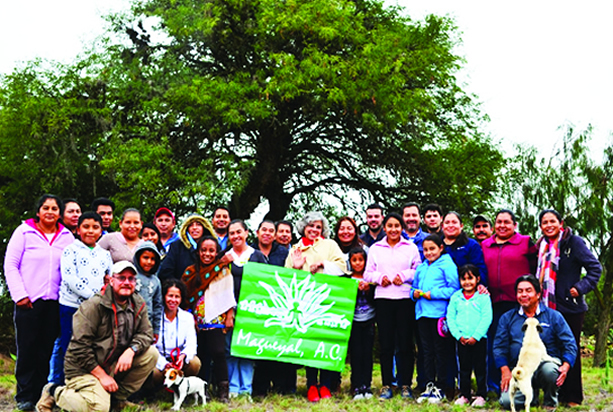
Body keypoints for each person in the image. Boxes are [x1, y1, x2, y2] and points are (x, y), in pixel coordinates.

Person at [36, 261, 158, 412]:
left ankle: (116, 400)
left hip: (111, 364)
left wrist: (131, 350)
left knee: (151, 354)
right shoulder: (93, 306)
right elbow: (80, 348)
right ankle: (55, 392)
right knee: (99, 409)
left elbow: (146, 333)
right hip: (82, 369)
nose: (127, 282)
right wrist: (102, 376)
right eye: (121, 278)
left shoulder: (138, 303)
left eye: (131, 278)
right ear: (111, 280)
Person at [4, 195, 74, 411]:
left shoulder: (67, 237)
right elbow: (11, 265)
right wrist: (20, 295)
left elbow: (71, 268)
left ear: (59, 213)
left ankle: (39, 394)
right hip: (29, 302)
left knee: (45, 351)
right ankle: (24, 396)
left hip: (54, 302)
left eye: (54, 208)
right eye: (46, 208)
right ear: (38, 211)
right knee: (27, 349)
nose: (50, 212)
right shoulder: (24, 232)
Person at [536, 209, 601, 406]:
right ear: (540, 226)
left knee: (569, 349)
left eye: (552, 221)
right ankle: (556, 394)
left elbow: (595, 268)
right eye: (544, 222)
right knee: (551, 349)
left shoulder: (573, 242)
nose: (548, 225)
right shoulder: (540, 246)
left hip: (569, 307)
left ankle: (573, 396)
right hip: (546, 306)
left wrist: (579, 288)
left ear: (560, 223)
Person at [285, 211, 348, 402]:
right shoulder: (295, 249)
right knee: (310, 345)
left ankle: (326, 385)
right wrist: (296, 267)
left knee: (326, 342)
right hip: (304, 303)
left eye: (318, 227)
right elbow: (286, 280)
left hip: (327, 302)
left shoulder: (330, 245)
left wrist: (323, 263)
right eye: (311, 225)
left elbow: (343, 268)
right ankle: (312, 384)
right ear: (304, 227)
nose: (314, 229)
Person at [494, 275, 577, 411]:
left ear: (538, 294)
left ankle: (550, 402)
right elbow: (499, 347)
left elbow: (569, 343)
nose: (524, 295)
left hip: (545, 365)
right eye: (520, 291)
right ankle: (532, 398)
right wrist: (505, 371)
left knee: (549, 371)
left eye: (528, 290)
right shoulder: (507, 318)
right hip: (521, 370)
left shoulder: (553, 316)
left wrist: (566, 366)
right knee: (507, 402)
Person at [50, 212, 112, 385]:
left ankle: (87, 384)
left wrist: (106, 290)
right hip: (71, 307)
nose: (90, 231)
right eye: (86, 227)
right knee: (68, 344)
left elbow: (110, 277)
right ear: (78, 230)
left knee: (91, 346)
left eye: (95, 227)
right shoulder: (70, 250)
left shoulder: (105, 254)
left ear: (101, 231)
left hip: (97, 309)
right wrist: (94, 297)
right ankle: (59, 384)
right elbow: (70, 279)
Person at [364, 212, 421, 400]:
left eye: (397, 226)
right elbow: (367, 274)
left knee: (405, 344)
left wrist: (404, 276)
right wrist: (381, 278)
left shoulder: (411, 247)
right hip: (383, 299)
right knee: (386, 345)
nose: (393, 229)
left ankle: (405, 385)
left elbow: (418, 270)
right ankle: (387, 384)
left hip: (405, 300)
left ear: (402, 228)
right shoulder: (375, 248)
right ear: (384, 228)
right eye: (390, 226)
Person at [482, 209, 537, 394]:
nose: (502, 225)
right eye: (499, 222)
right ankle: (493, 386)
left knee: (518, 344)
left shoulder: (526, 242)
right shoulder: (485, 245)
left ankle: (522, 386)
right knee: (494, 344)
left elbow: (537, 268)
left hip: (518, 303)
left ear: (515, 225)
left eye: (507, 222)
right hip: (492, 303)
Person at [182, 236, 236, 403]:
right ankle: (202, 390)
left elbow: (228, 294)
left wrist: (229, 315)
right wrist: (190, 317)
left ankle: (223, 391)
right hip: (196, 319)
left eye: (211, 250)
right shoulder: (190, 272)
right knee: (202, 354)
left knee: (219, 353)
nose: (207, 253)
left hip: (216, 317)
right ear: (198, 252)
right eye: (204, 250)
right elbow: (185, 296)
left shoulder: (223, 270)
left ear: (216, 252)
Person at [412, 234, 460, 404]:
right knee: (426, 352)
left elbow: (454, 289)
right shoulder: (421, 267)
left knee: (441, 352)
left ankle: (442, 386)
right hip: (422, 315)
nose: (429, 252)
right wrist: (414, 294)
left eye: (432, 249)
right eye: (425, 249)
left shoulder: (447, 264)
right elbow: (413, 288)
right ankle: (429, 385)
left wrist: (435, 294)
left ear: (441, 248)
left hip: (439, 316)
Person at [251, 220, 295, 397]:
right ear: (257, 232)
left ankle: (283, 386)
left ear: (275, 234)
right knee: (260, 347)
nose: (267, 233)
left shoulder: (284, 253)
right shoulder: (249, 251)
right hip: (256, 306)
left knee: (281, 346)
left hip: (280, 306)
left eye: (271, 230)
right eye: (264, 230)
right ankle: (260, 387)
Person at [224, 220, 268, 399]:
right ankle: (233, 388)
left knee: (247, 349)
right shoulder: (225, 257)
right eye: (231, 233)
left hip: (252, 312)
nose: (235, 236)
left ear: (247, 233)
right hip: (229, 311)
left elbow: (266, 285)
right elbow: (220, 286)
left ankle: (246, 389)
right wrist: (229, 311)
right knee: (230, 350)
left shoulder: (257, 256)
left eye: (238, 232)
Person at [447, 264, 492, 407]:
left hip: (478, 339)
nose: (467, 282)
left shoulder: (483, 297)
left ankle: (481, 394)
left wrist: (476, 336)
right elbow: (450, 317)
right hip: (461, 340)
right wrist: (457, 335)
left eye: (470, 278)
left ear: (478, 279)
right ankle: (464, 394)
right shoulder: (456, 297)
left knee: (480, 367)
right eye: (463, 279)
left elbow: (487, 317)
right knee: (463, 368)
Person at [152, 279, 200, 386]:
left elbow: (192, 344)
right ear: (164, 297)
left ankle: (183, 388)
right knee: (154, 373)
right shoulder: (155, 317)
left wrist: (183, 356)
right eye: (170, 296)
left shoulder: (187, 317)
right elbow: (151, 346)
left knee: (194, 363)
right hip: (160, 360)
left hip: (178, 360)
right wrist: (164, 364)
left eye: (177, 296)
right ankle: (157, 391)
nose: (173, 300)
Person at [348, 248, 376, 400]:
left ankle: (367, 385)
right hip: (353, 322)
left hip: (369, 320)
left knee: (367, 354)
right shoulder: (346, 279)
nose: (358, 263)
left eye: (361, 260)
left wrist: (367, 290)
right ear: (350, 262)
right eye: (354, 260)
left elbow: (375, 299)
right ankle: (356, 385)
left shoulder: (370, 278)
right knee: (356, 354)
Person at [158, 214, 216, 281]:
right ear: (186, 228)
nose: (194, 227)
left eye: (198, 224)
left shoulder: (213, 245)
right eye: (191, 225)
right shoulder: (176, 246)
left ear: (204, 227)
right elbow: (166, 272)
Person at [442, 211, 488, 285]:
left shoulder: (471, 245)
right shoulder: (436, 245)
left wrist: (480, 285)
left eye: (454, 222)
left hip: (465, 290)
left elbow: (480, 269)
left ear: (461, 226)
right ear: (442, 226)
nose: (450, 225)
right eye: (447, 222)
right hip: (440, 290)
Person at [133, 241, 163, 342]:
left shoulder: (156, 281)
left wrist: (156, 329)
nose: (149, 262)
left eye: (152, 259)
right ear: (138, 258)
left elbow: (157, 306)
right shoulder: (131, 276)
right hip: (129, 323)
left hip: (147, 325)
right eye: (145, 258)